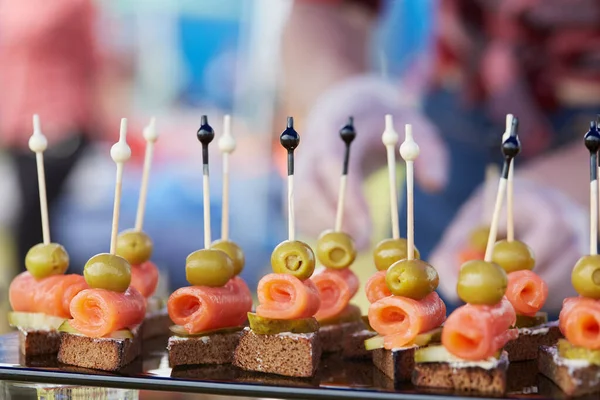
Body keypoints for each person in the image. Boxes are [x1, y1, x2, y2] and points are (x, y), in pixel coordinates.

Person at [282, 0, 600, 312]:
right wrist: (342, 91)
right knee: (421, 308)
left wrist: (581, 179)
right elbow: (322, 8)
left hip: (589, 117)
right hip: (456, 107)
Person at [0, 0, 114, 271]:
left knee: (36, 220)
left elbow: (97, 61)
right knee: (32, 220)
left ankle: (46, 298)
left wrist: (108, 121)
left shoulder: (73, 5)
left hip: (60, 123)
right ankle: (33, 297)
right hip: (16, 125)